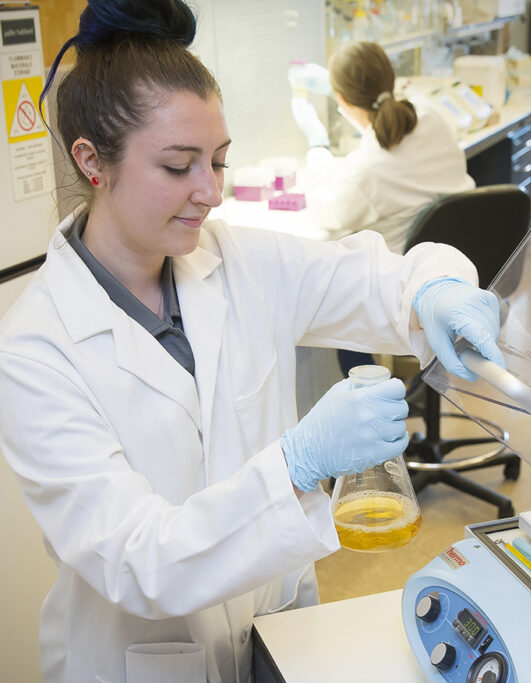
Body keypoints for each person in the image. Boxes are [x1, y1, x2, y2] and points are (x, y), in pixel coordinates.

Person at [0, 2, 504, 681]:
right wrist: (297, 463)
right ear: (92, 160)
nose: (210, 190)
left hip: (280, 631)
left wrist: (434, 290)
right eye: (179, 166)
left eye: (218, 159)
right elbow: (138, 558)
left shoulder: (235, 261)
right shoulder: (34, 348)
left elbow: (377, 276)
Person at [290, 41, 476, 253]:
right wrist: (339, 93)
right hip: (461, 261)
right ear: (391, 77)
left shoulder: (366, 171)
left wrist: (317, 144)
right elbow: (379, 122)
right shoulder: (430, 116)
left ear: (342, 99)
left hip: (403, 278)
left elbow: (324, 211)